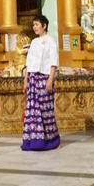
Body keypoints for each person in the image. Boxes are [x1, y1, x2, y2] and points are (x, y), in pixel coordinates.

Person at [21, 12, 60, 151]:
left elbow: (53, 62)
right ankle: (34, 141)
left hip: (44, 78)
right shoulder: (33, 42)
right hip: (32, 79)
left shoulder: (50, 41)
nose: (34, 27)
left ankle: (53, 141)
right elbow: (29, 63)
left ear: (44, 26)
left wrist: (50, 79)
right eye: (33, 25)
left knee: (46, 110)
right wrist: (26, 80)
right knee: (32, 111)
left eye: (37, 24)